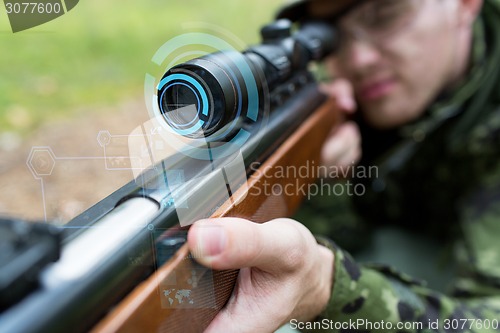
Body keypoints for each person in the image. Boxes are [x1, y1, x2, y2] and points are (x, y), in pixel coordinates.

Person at [187, 0, 500, 331]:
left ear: (465, 4)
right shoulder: (337, 96)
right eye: (333, 35)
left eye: (385, 15)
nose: (358, 59)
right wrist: (321, 180)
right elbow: (348, 236)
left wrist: (328, 290)